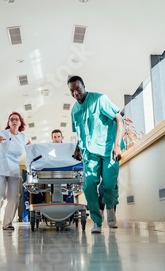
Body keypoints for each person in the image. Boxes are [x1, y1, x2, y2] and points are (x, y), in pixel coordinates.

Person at [67, 75, 123, 233]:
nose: (76, 93)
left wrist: (117, 145)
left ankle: (110, 209)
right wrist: (77, 147)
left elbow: (119, 119)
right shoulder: (74, 110)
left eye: (78, 88)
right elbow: (80, 131)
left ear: (84, 86)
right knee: (89, 185)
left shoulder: (100, 99)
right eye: (72, 91)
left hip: (108, 149)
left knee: (109, 184)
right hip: (89, 152)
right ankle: (97, 220)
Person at [0, 112, 30, 230]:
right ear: (9, 123)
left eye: (17, 119)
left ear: (20, 123)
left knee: (13, 198)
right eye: (12, 119)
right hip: (1, 166)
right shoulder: (3, 133)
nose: (14, 121)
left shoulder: (22, 137)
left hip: (14, 169)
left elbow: (31, 147)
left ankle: (7, 224)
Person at [51, 129, 74, 203]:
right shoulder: (48, 147)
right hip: (53, 175)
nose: (57, 139)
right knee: (55, 199)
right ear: (52, 138)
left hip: (67, 175)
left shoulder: (68, 147)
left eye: (58, 136)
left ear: (62, 137)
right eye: (55, 137)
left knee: (69, 200)